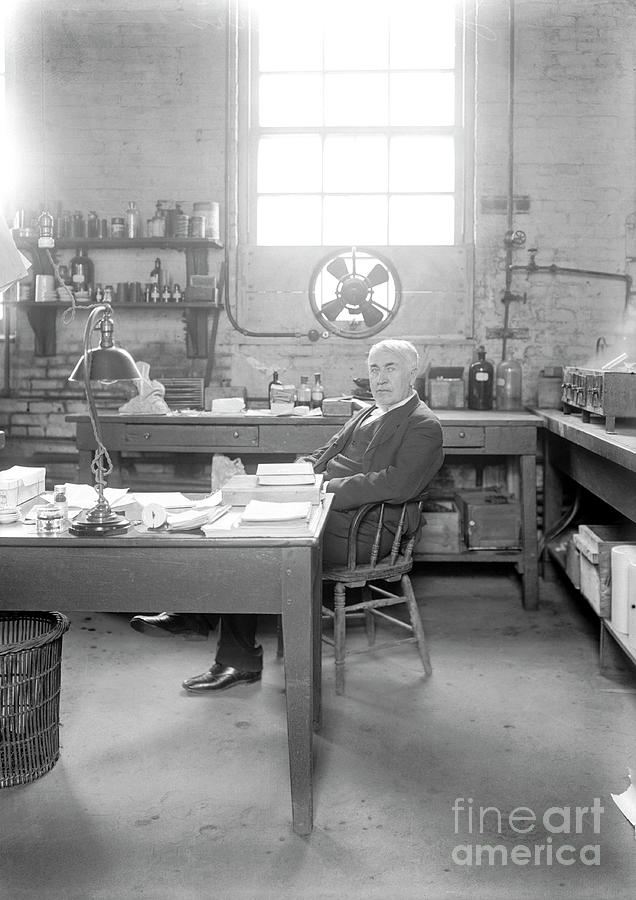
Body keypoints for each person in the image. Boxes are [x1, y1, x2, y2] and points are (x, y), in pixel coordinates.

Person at [130, 339, 444, 692]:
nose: (380, 378)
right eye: (374, 369)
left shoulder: (422, 424)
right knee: (234, 518)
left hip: (363, 528)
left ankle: (223, 644)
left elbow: (397, 484)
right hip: (324, 505)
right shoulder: (368, 411)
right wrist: (297, 471)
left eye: (391, 368)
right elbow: (325, 452)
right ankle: (201, 623)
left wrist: (322, 486)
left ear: (412, 373)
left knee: (254, 544)